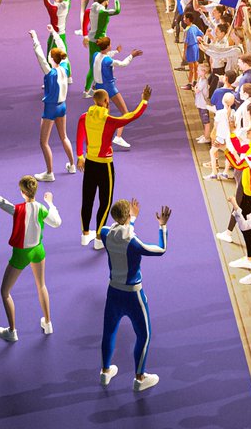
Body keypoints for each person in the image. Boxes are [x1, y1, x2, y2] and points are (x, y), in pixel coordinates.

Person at [0, 169, 61, 342]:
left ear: (22, 192)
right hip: (38, 250)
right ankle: (48, 323)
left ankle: (12, 331)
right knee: (41, 285)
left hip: (21, 254)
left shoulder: (17, 209)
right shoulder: (41, 208)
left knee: (5, 292)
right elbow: (57, 223)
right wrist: (51, 203)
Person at [98, 198, 170, 393]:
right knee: (144, 335)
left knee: (109, 332)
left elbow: (119, 230)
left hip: (113, 293)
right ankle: (139, 378)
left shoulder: (104, 233)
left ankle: (105, 372)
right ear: (127, 216)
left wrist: (132, 218)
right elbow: (161, 250)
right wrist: (162, 226)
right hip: (133, 296)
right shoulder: (134, 243)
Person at [76, 86, 151, 247]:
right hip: (105, 166)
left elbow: (79, 136)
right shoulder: (109, 120)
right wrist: (144, 101)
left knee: (87, 199)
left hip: (89, 163)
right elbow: (131, 116)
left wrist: (80, 156)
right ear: (106, 102)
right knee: (105, 202)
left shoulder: (84, 117)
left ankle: (84, 235)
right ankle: (98, 238)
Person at [27, 28, 74, 182]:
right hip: (63, 106)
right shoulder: (65, 67)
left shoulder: (50, 72)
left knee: (43, 142)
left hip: (50, 109)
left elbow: (39, 55)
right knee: (64, 136)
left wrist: (35, 38)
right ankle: (72, 165)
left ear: (51, 58)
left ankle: (49, 172)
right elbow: (63, 48)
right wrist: (54, 33)